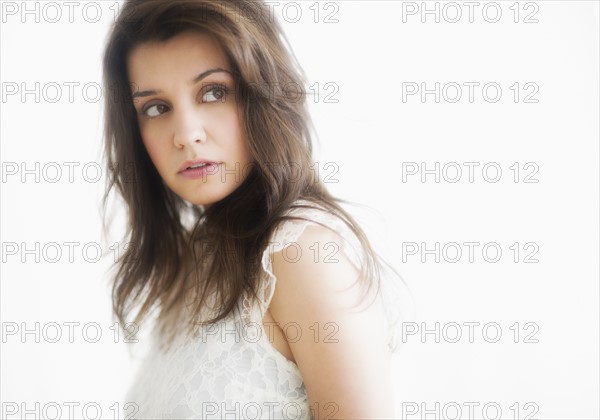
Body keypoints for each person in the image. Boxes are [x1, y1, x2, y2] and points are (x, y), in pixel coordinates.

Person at [102, 1, 404, 418]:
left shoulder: (302, 254)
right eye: (156, 107)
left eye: (214, 92)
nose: (186, 135)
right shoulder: (196, 258)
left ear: (264, 91)